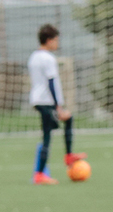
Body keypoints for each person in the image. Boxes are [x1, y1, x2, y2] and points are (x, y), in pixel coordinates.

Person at [28, 24, 83, 184]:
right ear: (49, 40)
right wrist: (58, 106)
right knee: (47, 136)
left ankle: (68, 155)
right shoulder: (48, 58)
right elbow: (51, 83)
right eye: (56, 40)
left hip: (39, 99)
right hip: (47, 101)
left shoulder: (34, 56)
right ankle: (39, 174)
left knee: (67, 119)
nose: (57, 43)